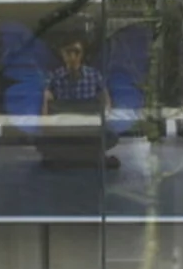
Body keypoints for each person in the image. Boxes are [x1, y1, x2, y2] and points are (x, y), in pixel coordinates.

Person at [37, 36, 121, 169]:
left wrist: (105, 115)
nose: (72, 56)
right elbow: (46, 101)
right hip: (64, 130)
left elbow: (106, 98)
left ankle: (73, 157)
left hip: (89, 129)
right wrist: (46, 122)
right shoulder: (54, 77)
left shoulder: (94, 75)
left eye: (76, 52)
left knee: (111, 136)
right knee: (40, 139)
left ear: (82, 54)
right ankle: (83, 157)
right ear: (62, 54)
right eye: (68, 52)